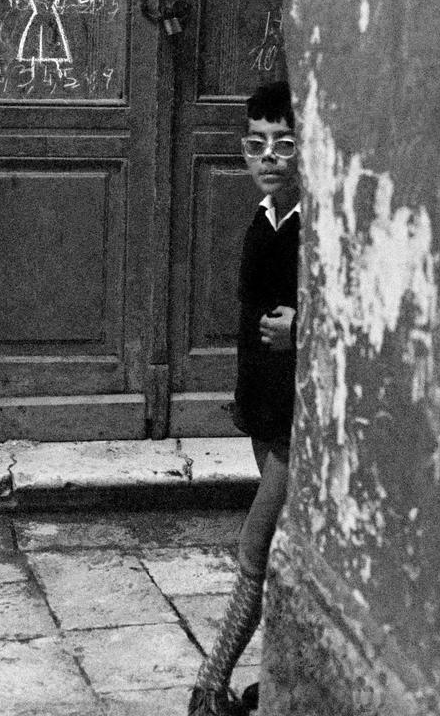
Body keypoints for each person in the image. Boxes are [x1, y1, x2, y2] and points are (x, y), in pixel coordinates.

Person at [188, 80, 300, 716]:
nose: (269, 158)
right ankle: (279, 678)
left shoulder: (314, 228)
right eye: (258, 145)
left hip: (296, 423)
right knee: (284, 544)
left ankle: (208, 688)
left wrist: (302, 327)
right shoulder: (263, 222)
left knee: (256, 548)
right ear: (242, 150)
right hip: (263, 410)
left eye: (283, 145)